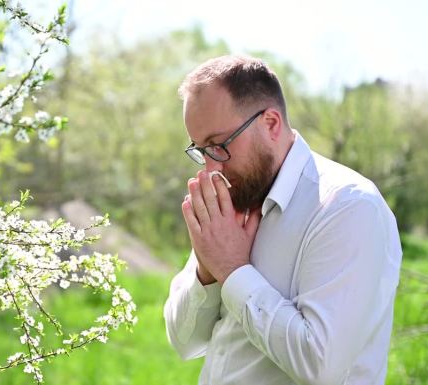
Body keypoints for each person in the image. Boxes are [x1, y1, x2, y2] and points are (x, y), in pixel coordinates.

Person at [163, 55, 402, 385]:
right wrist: (208, 270)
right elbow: (185, 342)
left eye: (219, 145)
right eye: (201, 150)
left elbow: (321, 366)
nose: (210, 168)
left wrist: (232, 270)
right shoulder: (233, 201)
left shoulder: (347, 206)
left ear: (271, 123)